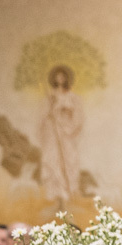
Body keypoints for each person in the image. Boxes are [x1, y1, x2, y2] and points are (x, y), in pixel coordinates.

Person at [38, 64, 83, 207]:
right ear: (54, 78)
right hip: (53, 134)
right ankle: (58, 199)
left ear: (66, 78)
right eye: (57, 76)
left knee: (70, 162)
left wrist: (66, 114)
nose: (60, 79)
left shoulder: (72, 97)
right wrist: (51, 112)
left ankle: (69, 197)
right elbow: (44, 118)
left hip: (66, 134)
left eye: (63, 76)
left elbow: (78, 117)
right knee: (54, 162)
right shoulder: (50, 96)